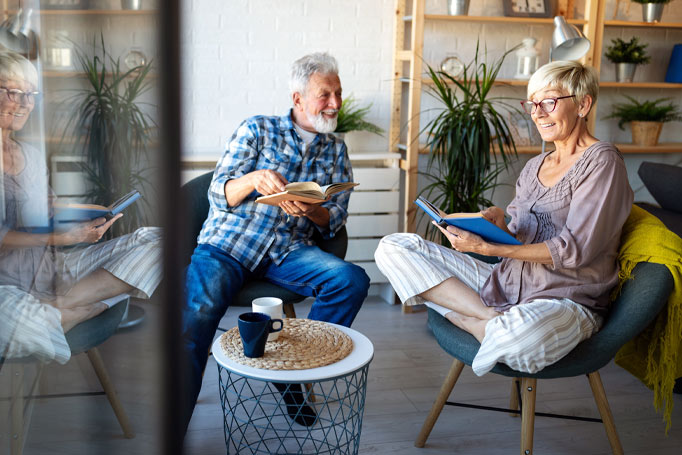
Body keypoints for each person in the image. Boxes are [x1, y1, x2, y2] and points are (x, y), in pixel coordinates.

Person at [375, 60, 633, 376]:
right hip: (506, 287)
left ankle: (469, 319)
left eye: (549, 102)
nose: (538, 113)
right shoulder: (533, 167)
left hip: (565, 300)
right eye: (533, 104)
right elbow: (520, 238)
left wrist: (492, 250)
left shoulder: (602, 162)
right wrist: (498, 227)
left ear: (583, 104)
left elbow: (574, 250)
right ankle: (488, 319)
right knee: (394, 247)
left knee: (521, 337)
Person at [182, 52, 370, 430]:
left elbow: (333, 222)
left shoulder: (336, 150)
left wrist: (312, 209)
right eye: (325, 94)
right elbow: (218, 194)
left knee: (352, 280)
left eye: (338, 93)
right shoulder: (257, 129)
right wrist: (253, 179)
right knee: (197, 315)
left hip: (289, 250)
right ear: (298, 98)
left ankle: (294, 374)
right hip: (229, 243)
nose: (335, 103)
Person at [0, 51, 162, 362]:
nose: (24, 103)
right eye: (14, 91)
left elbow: (47, 207)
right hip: (6, 287)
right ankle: (93, 306)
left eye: (31, 94)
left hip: (51, 271)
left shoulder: (30, 155)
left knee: (159, 241)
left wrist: (96, 210)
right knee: (16, 322)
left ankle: (60, 307)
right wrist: (63, 238)